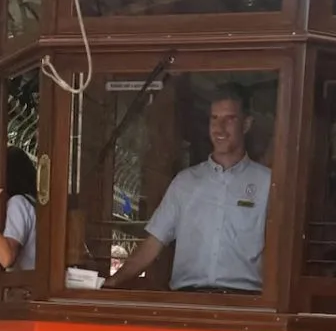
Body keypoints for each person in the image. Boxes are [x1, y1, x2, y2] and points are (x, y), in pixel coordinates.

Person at [105, 86, 270, 293]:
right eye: (214, 118)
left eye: (230, 119)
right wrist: (111, 283)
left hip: (246, 304)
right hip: (189, 302)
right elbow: (154, 242)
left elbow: (280, 251)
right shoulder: (185, 183)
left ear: (246, 124)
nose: (219, 128)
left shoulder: (267, 184)